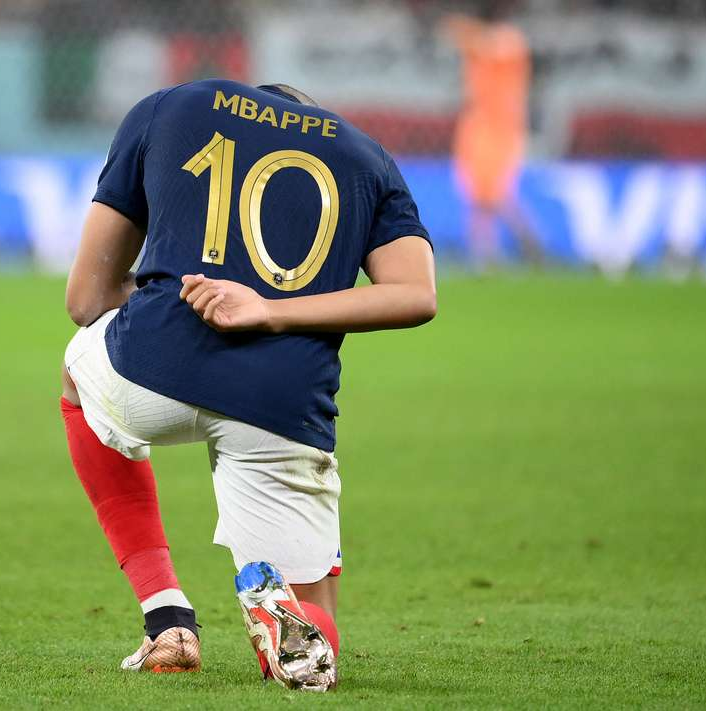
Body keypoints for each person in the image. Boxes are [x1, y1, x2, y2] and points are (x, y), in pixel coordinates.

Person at [58, 79, 435, 691]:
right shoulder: (367, 158)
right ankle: (286, 623)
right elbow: (416, 295)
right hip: (282, 402)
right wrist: (270, 310)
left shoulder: (169, 108)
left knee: (77, 373)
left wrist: (166, 293)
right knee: (314, 618)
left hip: (151, 366)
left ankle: (165, 614)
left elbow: (86, 300)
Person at [442, 11, 541, 265]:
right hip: (477, 126)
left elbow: (491, 47)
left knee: (497, 194)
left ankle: (529, 243)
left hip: (503, 129)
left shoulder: (509, 40)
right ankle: (484, 255)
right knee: (476, 196)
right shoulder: (477, 49)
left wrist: (464, 30)